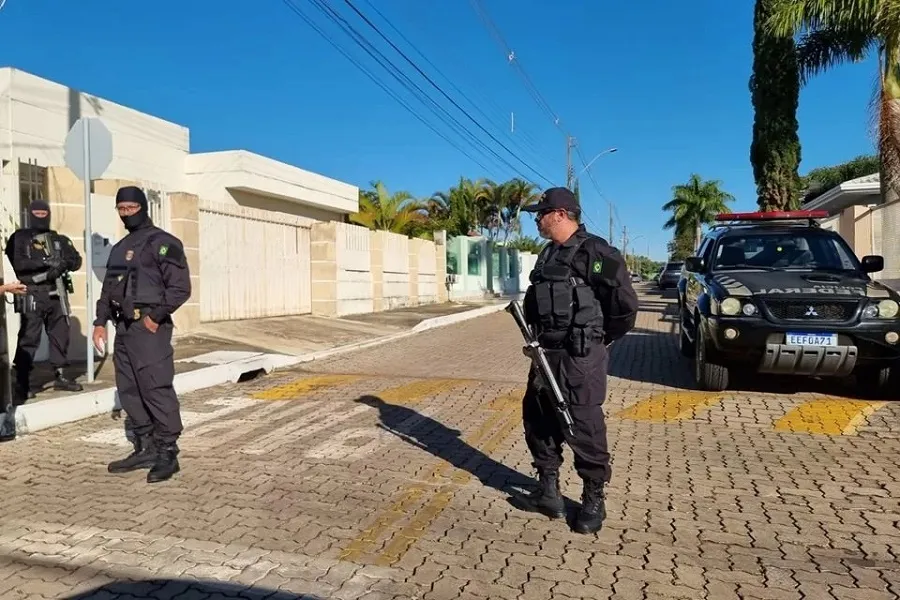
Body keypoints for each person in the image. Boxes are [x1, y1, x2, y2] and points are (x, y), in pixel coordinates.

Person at [515, 187, 638, 534]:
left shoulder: (597, 252)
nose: (536, 219)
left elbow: (625, 307)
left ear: (560, 214)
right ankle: (548, 491)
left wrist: (598, 339)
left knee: (582, 423)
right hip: (544, 353)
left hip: (580, 355)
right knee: (538, 419)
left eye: (541, 213)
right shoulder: (546, 254)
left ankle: (592, 498)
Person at [92, 186, 191, 483]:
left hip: (149, 327)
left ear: (143, 207)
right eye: (121, 209)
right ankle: (145, 446)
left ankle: (167, 451)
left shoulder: (164, 242)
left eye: (131, 208)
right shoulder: (120, 248)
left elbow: (180, 288)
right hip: (123, 328)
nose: (126, 213)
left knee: (155, 387)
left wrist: (155, 317)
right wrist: (100, 322)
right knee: (130, 389)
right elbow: (108, 289)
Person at [5, 200, 84, 401]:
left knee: (60, 334)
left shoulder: (58, 239)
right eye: (37, 212)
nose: (41, 215)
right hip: (32, 291)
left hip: (56, 294)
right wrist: (46, 264)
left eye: (44, 212)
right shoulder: (20, 238)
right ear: (30, 213)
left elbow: (76, 260)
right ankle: (22, 383)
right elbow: (19, 262)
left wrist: (63, 263)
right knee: (29, 338)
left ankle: (61, 376)